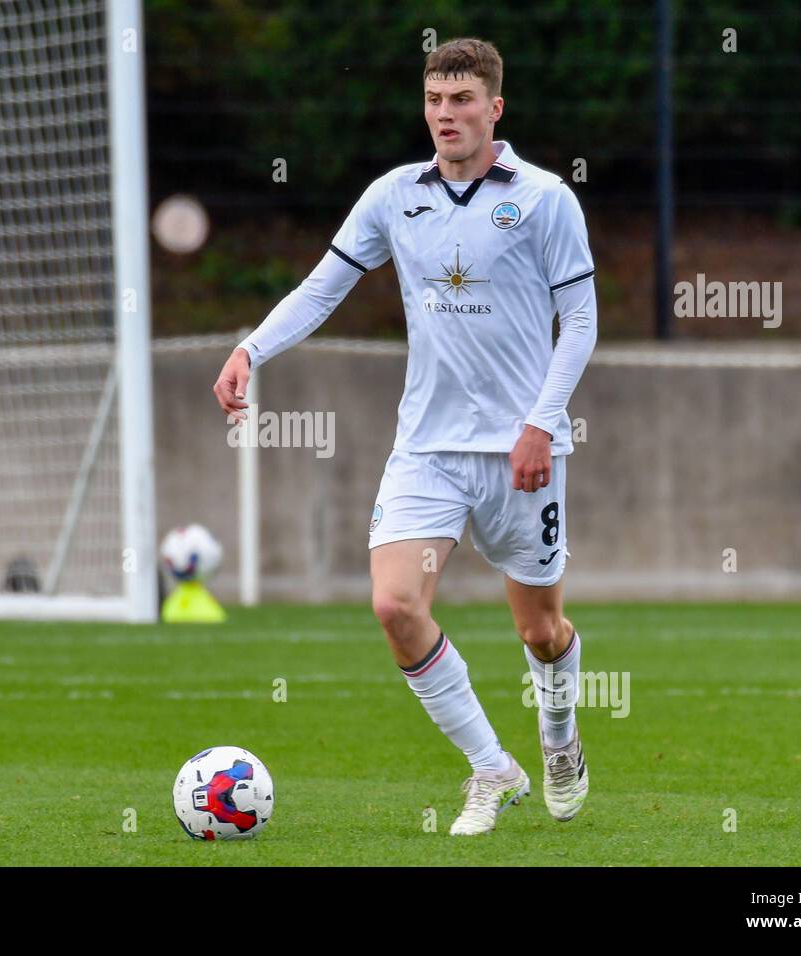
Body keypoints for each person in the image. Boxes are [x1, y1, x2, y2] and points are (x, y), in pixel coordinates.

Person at [213, 38, 596, 834]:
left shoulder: (545, 197)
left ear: (495, 108)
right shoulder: (395, 195)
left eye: (462, 101)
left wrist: (541, 424)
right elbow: (324, 288)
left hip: (523, 452)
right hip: (427, 450)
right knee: (394, 605)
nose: (446, 115)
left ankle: (560, 740)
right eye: (434, 100)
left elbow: (582, 322)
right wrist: (252, 348)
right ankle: (492, 768)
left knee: (541, 629)